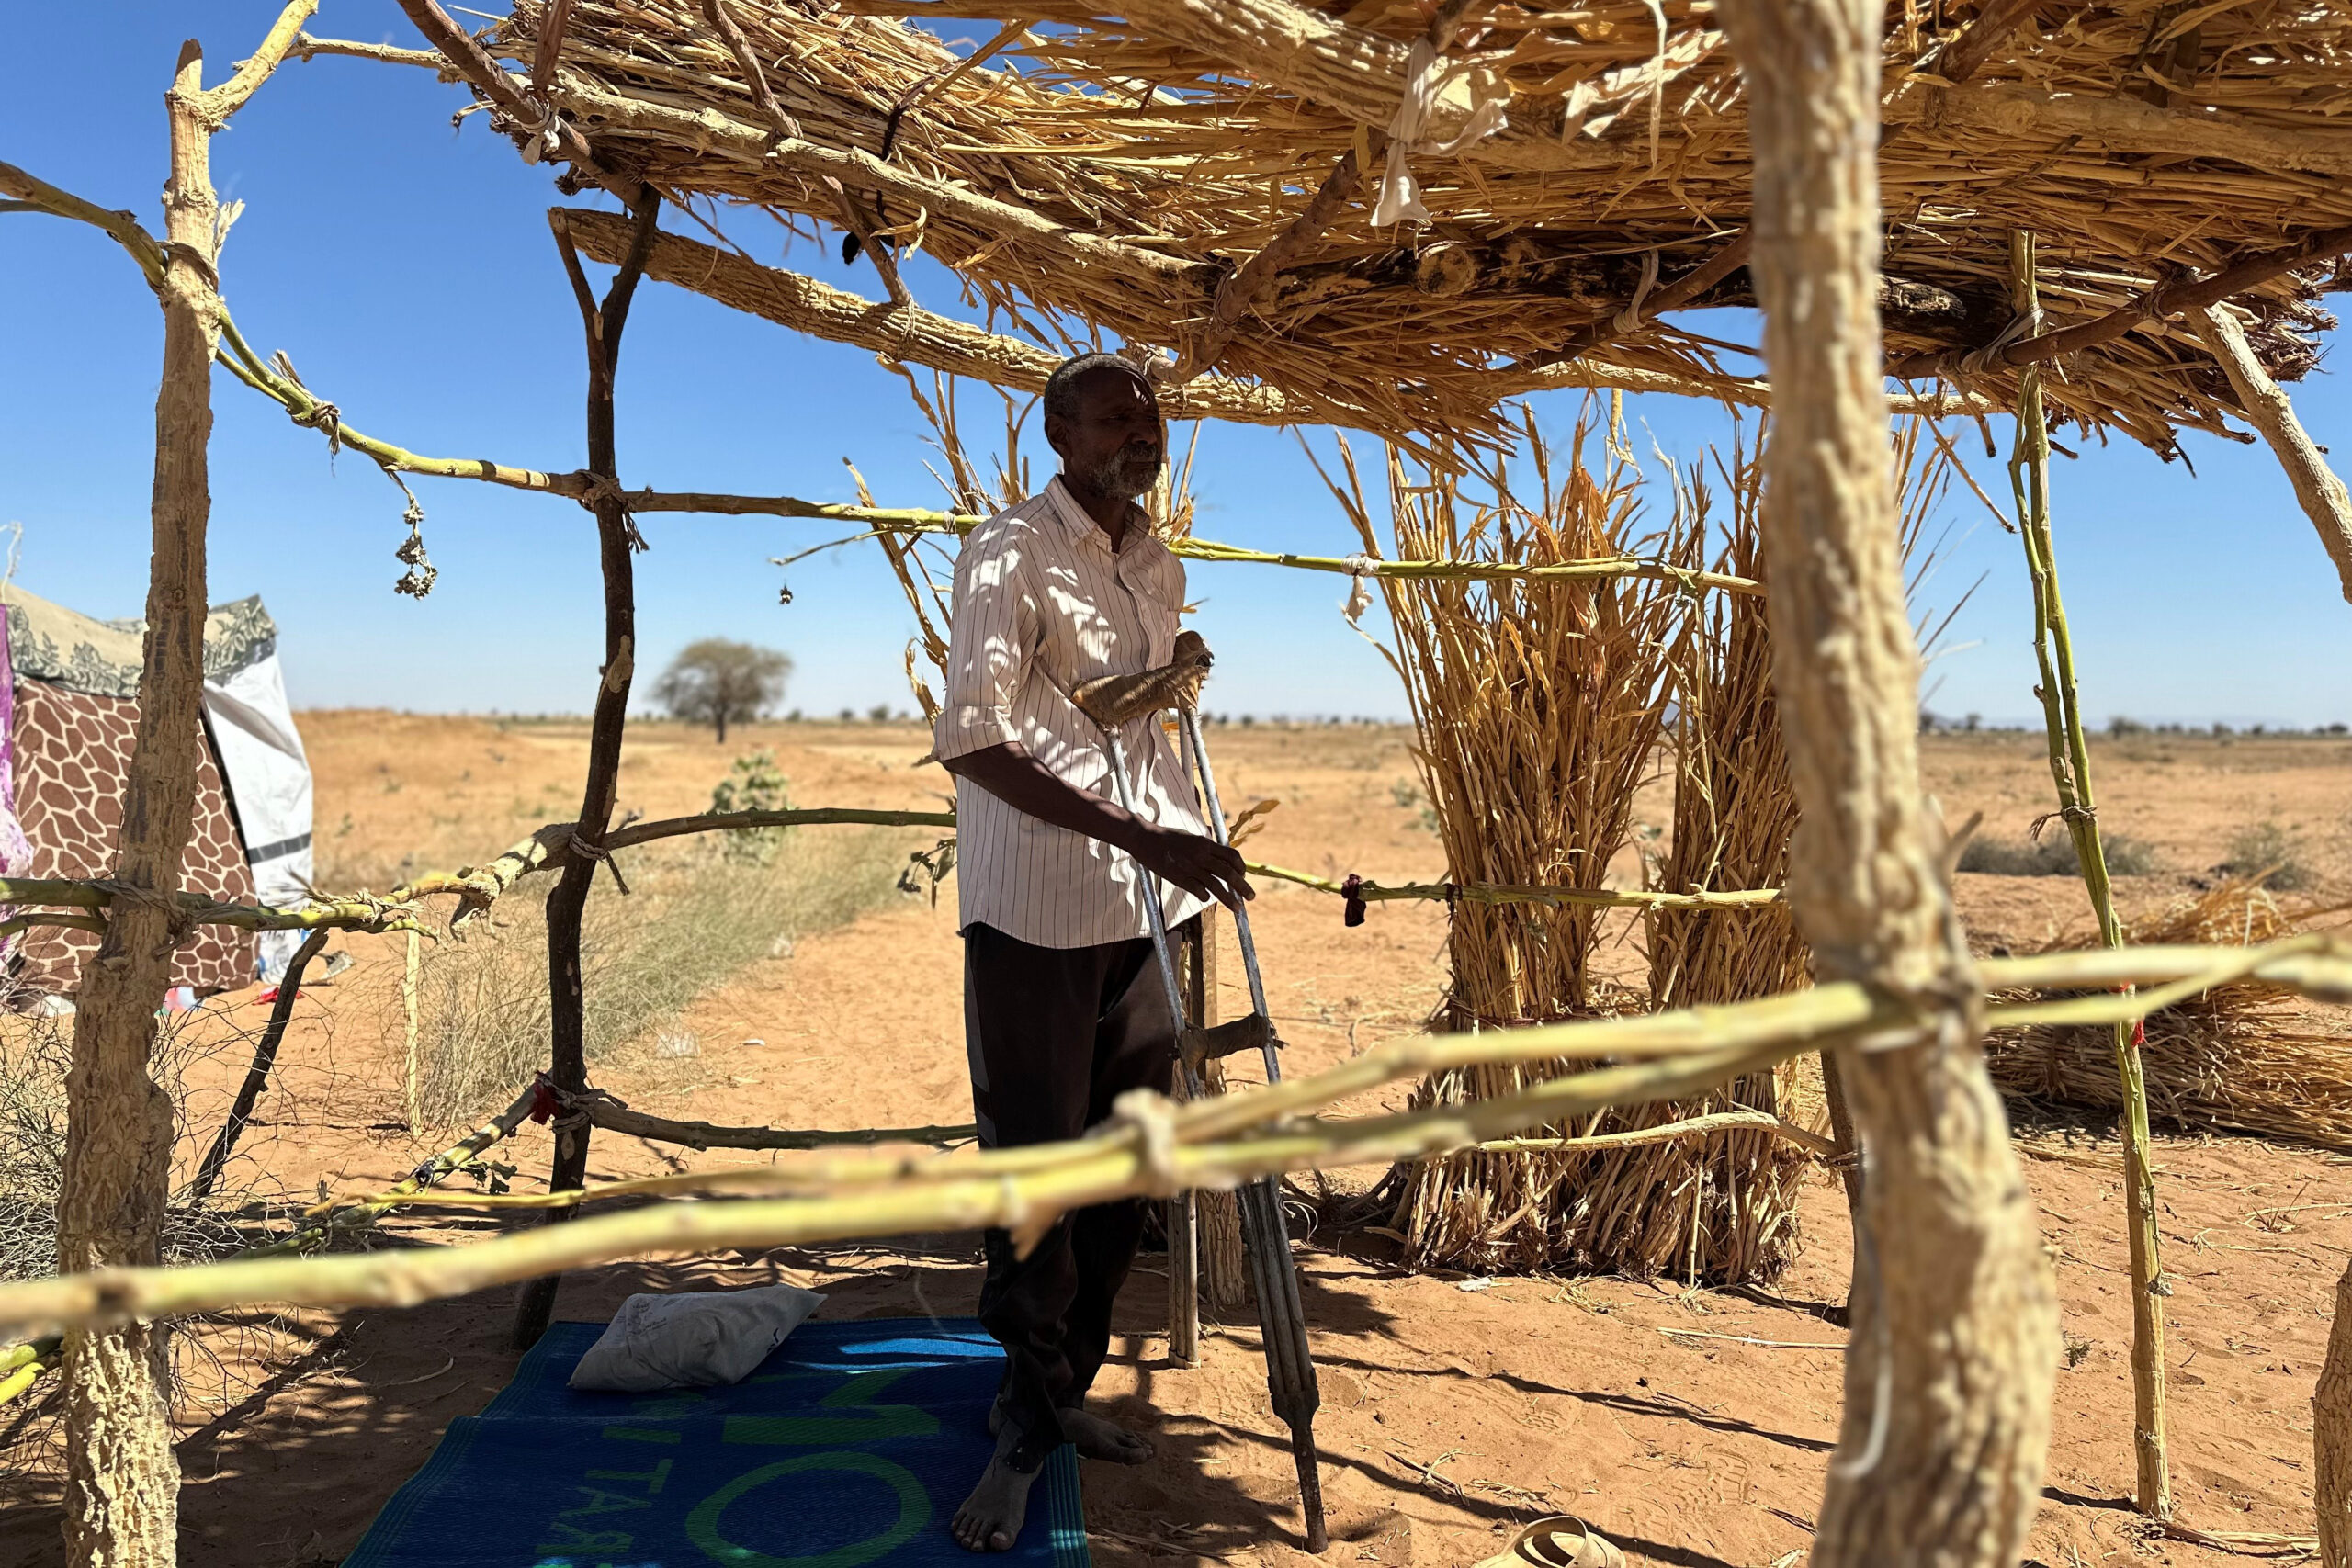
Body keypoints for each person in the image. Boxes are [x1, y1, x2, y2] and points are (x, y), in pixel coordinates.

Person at [932, 352, 1254, 1551]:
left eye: (1150, 416)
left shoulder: (1155, 563)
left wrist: (1173, 682)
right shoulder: (1009, 551)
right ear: (1059, 433)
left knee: (1127, 1167)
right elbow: (976, 740)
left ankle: (1059, 1392)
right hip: (1040, 911)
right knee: (1039, 1167)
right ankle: (1022, 1424)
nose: (1141, 432)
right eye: (1115, 417)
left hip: (1149, 909)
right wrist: (1136, 833)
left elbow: (1124, 718)